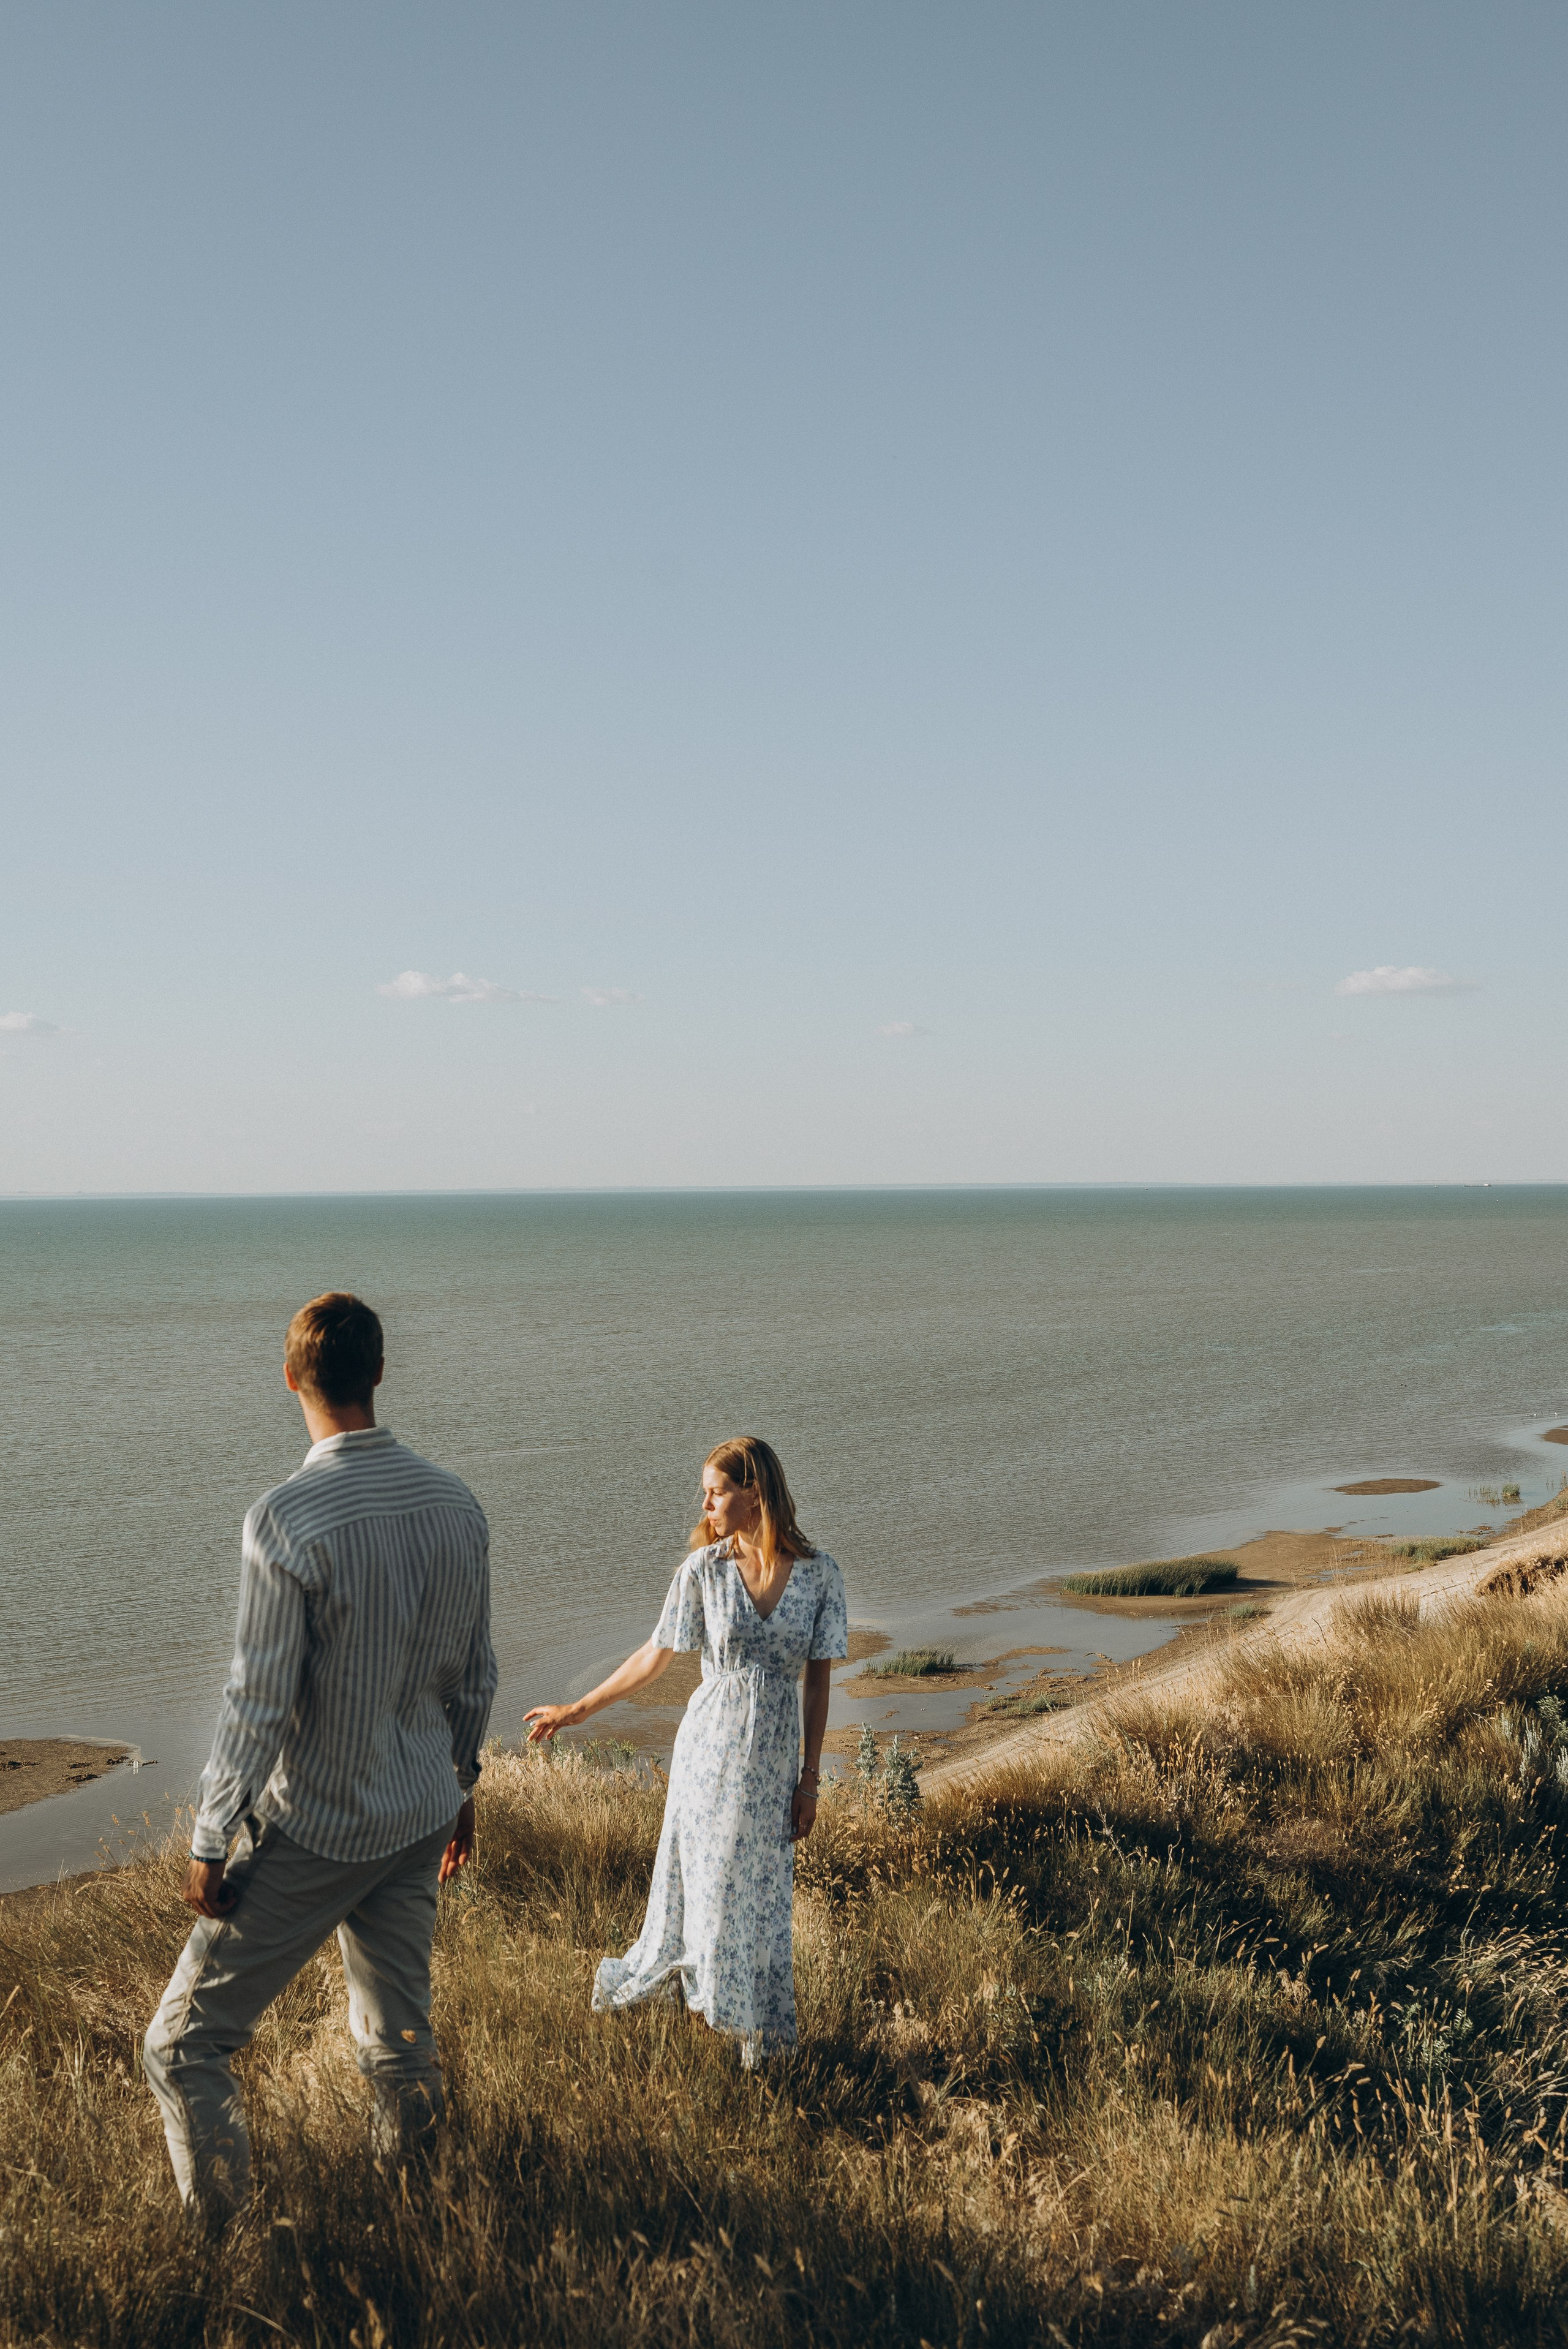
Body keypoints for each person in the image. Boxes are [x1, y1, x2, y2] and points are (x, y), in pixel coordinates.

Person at [143, 1292, 497, 2220]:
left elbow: (257, 1700)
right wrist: (460, 1785)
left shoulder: (286, 1519)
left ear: (290, 1377)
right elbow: (475, 1672)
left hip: (321, 1825)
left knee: (182, 2045)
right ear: (378, 1370)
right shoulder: (457, 1503)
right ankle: (417, 2217)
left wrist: (212, 1836)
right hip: (419, 1811)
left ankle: (225, 2250)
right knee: (400, 2039)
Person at [524, 1436, 846, 2065]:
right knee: (710, 1889)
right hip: (709, 1754)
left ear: (755, 1493)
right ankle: (713, 2024)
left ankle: (754, 2036)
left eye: (716, 1492)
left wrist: (810, 1779)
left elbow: (818, 1683)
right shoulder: (703, 1570)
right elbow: (656, 1654)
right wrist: (577, 1709)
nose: (705, 1504)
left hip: (774, 1763)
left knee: (759, 1896)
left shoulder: (820, 1575)